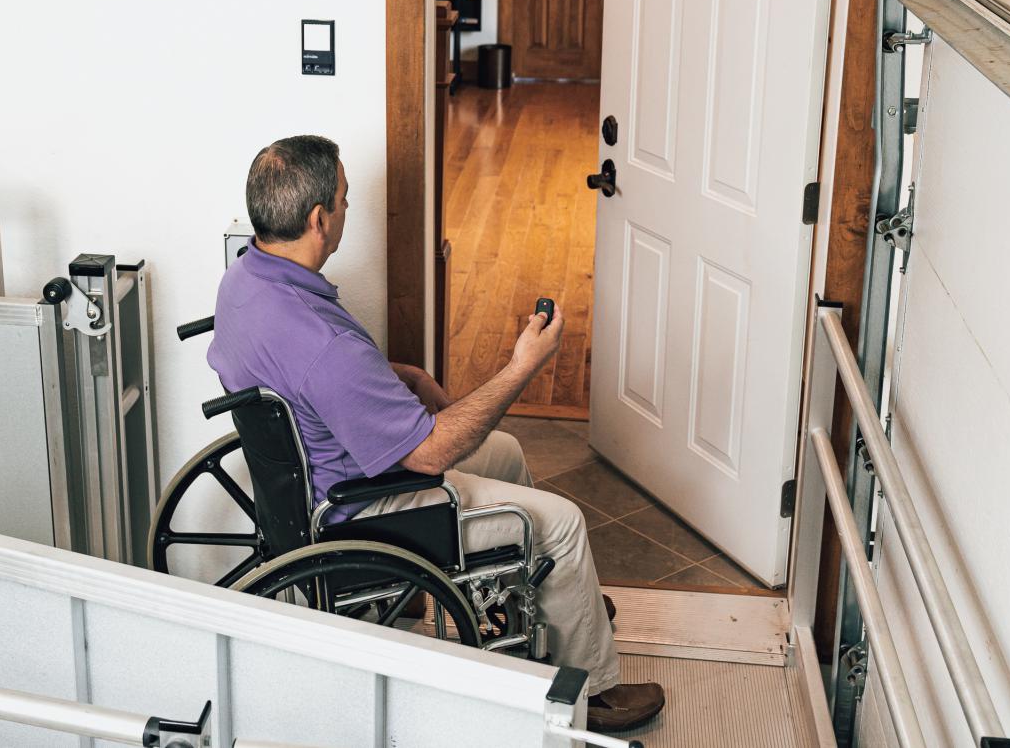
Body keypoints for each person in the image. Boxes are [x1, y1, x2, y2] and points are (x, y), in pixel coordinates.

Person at [206, 134, 666, 733]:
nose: (348, 208)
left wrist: (405, 376)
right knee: (562, 524)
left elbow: (309, 378)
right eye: (344, 199)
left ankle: (544, 599)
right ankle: (593, 694)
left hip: (310, 477)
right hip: (363, 507)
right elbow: (431, 453)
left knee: (505, 451)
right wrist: (522, 366)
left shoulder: (245, 281)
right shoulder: (326, 345)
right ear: (319, 219)